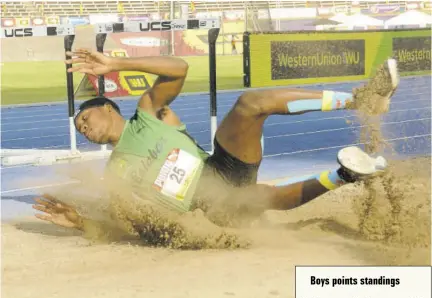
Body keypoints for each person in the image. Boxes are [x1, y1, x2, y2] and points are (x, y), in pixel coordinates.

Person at [32, 49, 399, 233]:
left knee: (250, 103)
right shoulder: (115, 171)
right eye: (79, 127)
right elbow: (122, 222)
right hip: (209, 209)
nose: (82, 127)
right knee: (257, 197)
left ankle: (362, 99)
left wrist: (115, 63)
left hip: (220, 166)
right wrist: (79, 220)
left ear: (108, 108)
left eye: (85, 118)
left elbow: (179, 69)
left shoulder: (149, 113)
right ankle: (349, 175)